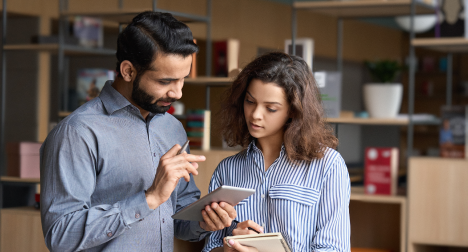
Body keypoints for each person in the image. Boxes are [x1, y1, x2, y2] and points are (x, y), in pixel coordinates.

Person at [40, 11, 236, 252]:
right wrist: (149, 198)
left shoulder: (171, 127)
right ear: (128, 71)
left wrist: (206, 220)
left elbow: (177, 219)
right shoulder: (77, 133)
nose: (178, 93)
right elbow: (60, 236)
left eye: (182, 79)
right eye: (165, 82)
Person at [202, 52, 351, 252]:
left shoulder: (328, 166)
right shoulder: (227, 170)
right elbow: (210, 247)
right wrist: (227, 248)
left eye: (270, 108)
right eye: (250, 101)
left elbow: (334, 248)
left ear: (293, 111)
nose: (255, 115)